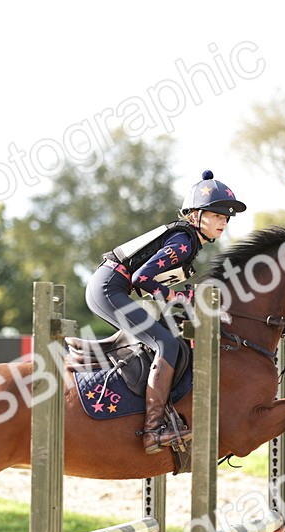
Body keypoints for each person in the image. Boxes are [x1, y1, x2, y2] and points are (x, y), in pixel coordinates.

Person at [85, 170, 246, 454]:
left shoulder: (189, 241)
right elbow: (142, 280)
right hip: (109, 289)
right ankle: (153, 429)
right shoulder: (184, 242)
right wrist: (183, 296)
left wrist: (183, 299)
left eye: (226, 217)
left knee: (167, 335)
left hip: (110, 286)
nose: (224, 222)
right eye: (217, 215)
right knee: (165, 342)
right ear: (195, 215)